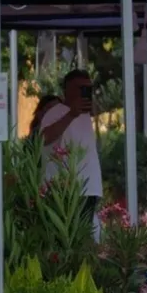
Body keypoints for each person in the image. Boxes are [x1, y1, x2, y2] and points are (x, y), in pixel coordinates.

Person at [40, 70, 103, 216]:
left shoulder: (86, 114)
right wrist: (71, 115)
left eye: (88, 88)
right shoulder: (56, 112)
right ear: (67, 89)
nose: (85, 92)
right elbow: (43, 138)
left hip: (89, 186)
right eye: (80, 88)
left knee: (84, 233)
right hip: (65, 189)